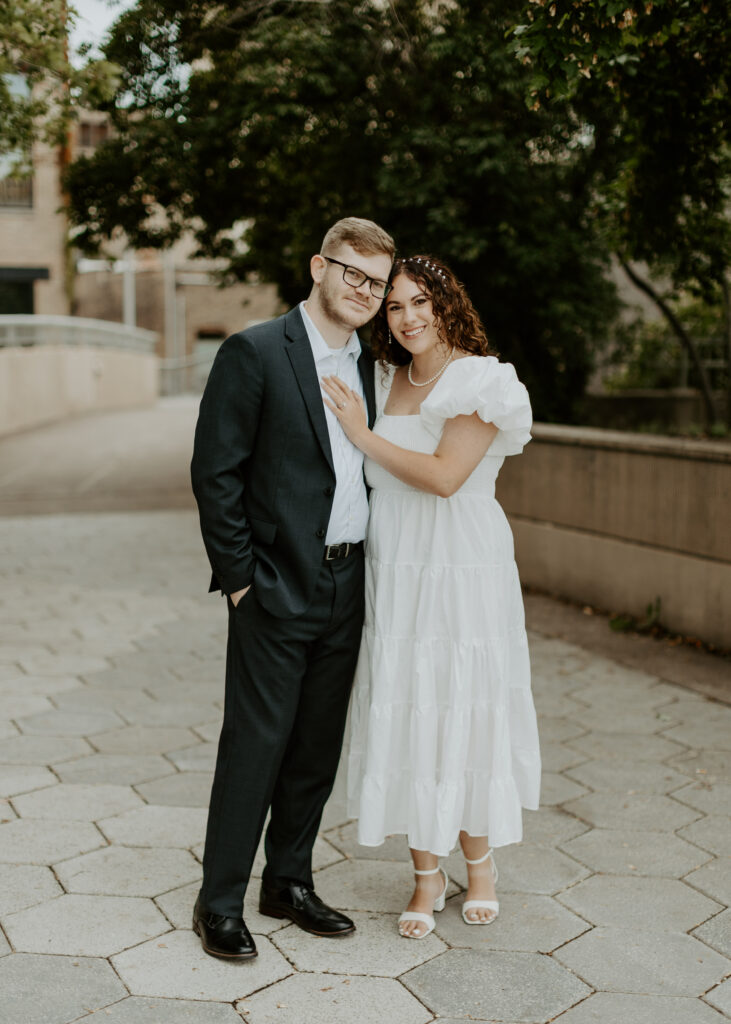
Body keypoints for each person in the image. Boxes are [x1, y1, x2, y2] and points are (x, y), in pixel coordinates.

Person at [190, 216, 395, 960]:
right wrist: (241, 582)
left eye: (376, 281)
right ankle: (218, 903)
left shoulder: (374, 367)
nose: (365, 291)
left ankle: (288, 883)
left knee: (315, 746)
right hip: (274, 585)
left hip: (349, 582)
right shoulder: (254, 351)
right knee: (255, 744)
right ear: (319, 266)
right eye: (352, 273)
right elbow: (215, 473)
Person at [321, 255, 541, 939]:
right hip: (400, 568)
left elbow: (446, 476)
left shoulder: (480, 378)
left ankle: (479, 868)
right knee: (409, 709)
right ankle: (424, 877)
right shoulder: (381, 379)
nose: (409, 317)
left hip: (463, 568)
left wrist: (362, 437)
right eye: (394, 306)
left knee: (464, 707)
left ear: (448, 304)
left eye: (421, 301)